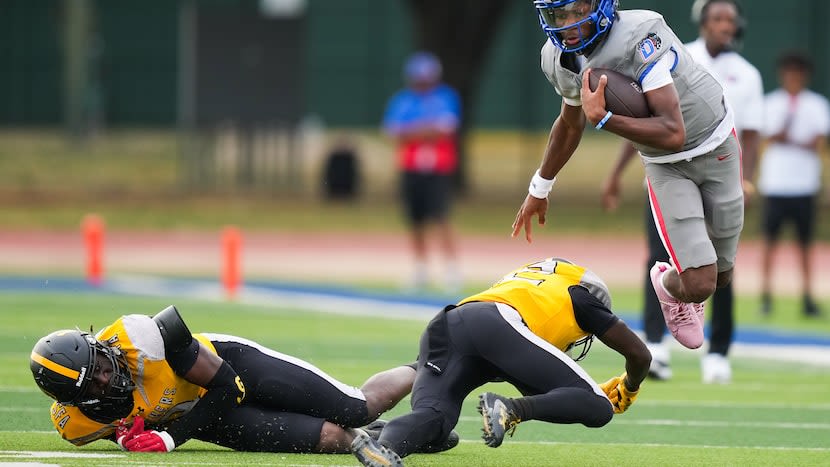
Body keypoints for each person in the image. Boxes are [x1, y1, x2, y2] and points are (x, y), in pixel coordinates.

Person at [512, 0, 744, 352]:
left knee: (722, 276)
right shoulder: (557, 58)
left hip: (716, 143)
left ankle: (670, 283)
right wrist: (539, 187)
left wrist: (605, 120)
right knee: (699, 282)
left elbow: (673, 129)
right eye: (559, 14)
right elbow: (569, 125)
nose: (568, 23)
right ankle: (671, 286)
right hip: (666, 165)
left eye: (577, 11)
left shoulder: (639, 35)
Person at [29, 305, 458, 454]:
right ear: (75, 400)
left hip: (228, 368)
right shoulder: (76, 425)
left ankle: (433, 365)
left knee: (355, 408)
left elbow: (228, 386)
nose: (108, 378)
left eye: (102, 364)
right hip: (206, 417)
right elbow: (118, 426)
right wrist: (125, 435)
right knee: (331, 439)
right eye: (96, 385)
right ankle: (407, 436)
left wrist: (171, 438)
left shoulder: (142, 338)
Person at [350, 256, 650, 466]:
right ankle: (509, 409)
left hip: (447, 324)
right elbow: (639, 354)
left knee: (436, 420)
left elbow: (542, 391)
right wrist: (629, 386)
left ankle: (382, 449)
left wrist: (575, 395)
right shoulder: (579, 294)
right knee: (597, 406)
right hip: (497, 324)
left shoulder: (527, 286)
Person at [600, 0, 762, 384]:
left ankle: (718, 352)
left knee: (721, 267)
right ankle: (656, 344)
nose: (725, 25)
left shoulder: (748, 75)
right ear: (703, 22)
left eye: (730, 20)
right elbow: (644, 118)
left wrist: (748, 178)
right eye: (718, 18)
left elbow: (752, 134)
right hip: (668, 171)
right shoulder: (674, 53)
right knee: (660, 258)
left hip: (721, 169)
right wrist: (616, 174)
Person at [382, 51, 463, 294]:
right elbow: (393, 132)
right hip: (410, 167)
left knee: (441, 217)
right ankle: (420, 268)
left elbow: (447, 129)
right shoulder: (403, 100)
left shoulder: (446, 97)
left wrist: (412, 131)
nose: (423, 83)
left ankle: (450, 269)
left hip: (438, 168)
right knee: (414, 220)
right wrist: (426, 129)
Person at [758, 50, 830, 318]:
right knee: (769, 242)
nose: (794, 78)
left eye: (798, 73)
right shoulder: (770, 103)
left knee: (805, 244)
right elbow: (767, 136)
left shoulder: (817, 105)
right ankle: (766, 295)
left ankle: (808, 297)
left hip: (804, 185)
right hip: (776, 184)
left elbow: (818, 142)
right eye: (789, 73)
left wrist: (788, 139)